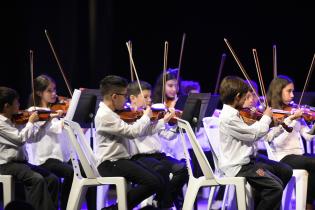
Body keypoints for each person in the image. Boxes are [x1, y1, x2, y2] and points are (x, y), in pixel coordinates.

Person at [95, 75, 171, 210]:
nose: (126, 99)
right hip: (110, 163)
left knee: (159, 179)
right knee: (152, 182)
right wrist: (146, 117)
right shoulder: (104, 116)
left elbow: (142, 131)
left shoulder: (114, 113)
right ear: (114, 96)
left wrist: (162, 121)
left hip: (122, 161)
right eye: (124, 95)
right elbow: (132, 133)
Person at [217, 76, 293, 210]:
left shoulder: (236, 114)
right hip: (240, 166)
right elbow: (252, 134)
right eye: (246, 97)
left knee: (285, 171)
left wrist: (269, 123)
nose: (248, 101)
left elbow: (253, 130)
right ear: (237, 97)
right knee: (275, 187)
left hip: (250, 160)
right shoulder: (228, 118)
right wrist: (266, 118)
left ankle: (261, 204)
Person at [26, 74, 96, 210]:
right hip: (45, 159)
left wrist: (83, 116)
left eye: (54, 90)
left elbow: (70, 133)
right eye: (49, 91)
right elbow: (57, 127)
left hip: (62, 158)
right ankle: (66, 207)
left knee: (89, 172)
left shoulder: (55, 112)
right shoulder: (35, 112)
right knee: (71, 173)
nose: (54, 94)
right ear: (39, 93)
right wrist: (75, 105)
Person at [127, 80, 188, 209]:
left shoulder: (151, 116)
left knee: (183, 169)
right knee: (161, 169)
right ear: (133, 98)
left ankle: (160, 202)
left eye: (150, 97)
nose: (149, 100)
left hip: (159, 156)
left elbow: (168, 136)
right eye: (145, 97)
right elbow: (135, 133)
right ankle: (165, 205)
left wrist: (177, 122)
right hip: (140, 158)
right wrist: (146, 118)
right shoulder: (128, 117)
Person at [0, 86, 59, 210]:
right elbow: (20, 139)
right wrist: (31, 122)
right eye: (17, 102)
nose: (19, 105)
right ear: (6, 106)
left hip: (20, 163)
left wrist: (47, 121)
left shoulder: (15, 119)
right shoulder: (1, 123)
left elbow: (33, 138)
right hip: (5, 164)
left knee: (52, 179)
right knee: (36, 179)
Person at [266, 75, 315, 210]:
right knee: (312, 163)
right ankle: (308, 204)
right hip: (281, 157)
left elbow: (308, 137)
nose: (293, 95)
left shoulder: (295, 111)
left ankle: (309, 201)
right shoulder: (271, 114)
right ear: (278, 91)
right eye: (289, 91)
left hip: (298, 155)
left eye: (293, 91)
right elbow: (273, 139)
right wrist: (292, 119)